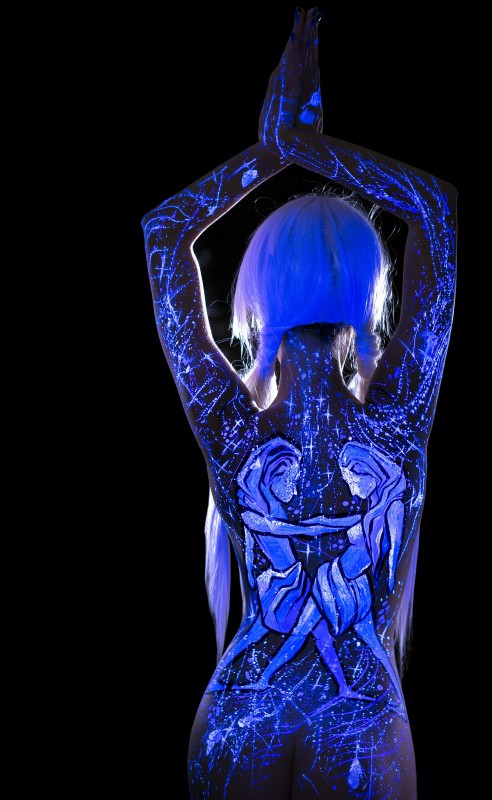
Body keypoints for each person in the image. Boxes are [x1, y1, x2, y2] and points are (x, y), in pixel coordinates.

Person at [141, 7, 457, 799]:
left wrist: (269, 152)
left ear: (257, 301)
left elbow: (165, 231)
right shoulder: (397, 416)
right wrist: (309, 146)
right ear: (370, 297)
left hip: (239, 710)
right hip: (360, 717)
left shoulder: (231, 429)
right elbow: (435, 210)